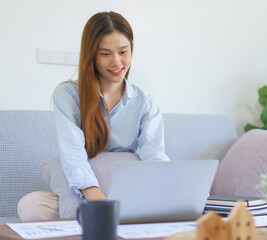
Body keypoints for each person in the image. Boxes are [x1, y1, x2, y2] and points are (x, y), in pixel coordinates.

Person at [17, 11, 169, 221]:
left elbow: (155, 157)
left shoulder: (145, 102)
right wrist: (100, 202)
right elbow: (72, 151)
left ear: (131, 49)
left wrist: (171, 190)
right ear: (91, 55)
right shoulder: (68, 95)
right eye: (105, 54)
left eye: (123, 52)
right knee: (31, 206)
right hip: (84, 194)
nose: (117, 62)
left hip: (130, 195)